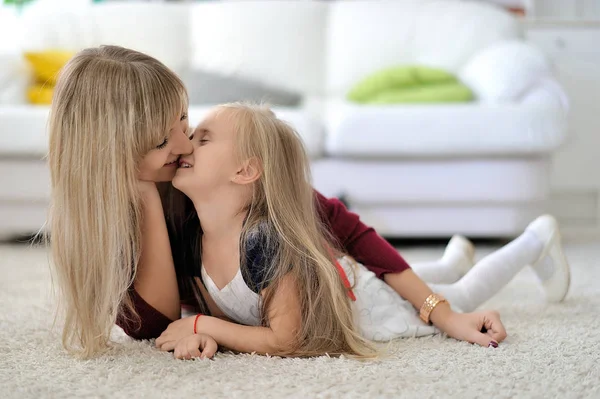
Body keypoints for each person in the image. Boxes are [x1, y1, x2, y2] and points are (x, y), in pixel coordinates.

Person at [48, 45, 484, 358]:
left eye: (184, 117)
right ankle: (448, 266)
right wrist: (143, 192)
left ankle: (447, 270)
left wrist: (440, 312)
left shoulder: (210, 182)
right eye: (165, 138)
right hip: (320, 283)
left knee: (382, 283)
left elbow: (345, 229)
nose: (185, 143)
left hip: (343, 277)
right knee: (374, 283)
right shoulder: (122, 214)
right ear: (114, 158)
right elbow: (153, 326)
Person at [154, 103, 570, 359]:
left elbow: (287, 339)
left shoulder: (267, 242)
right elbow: (227, 309)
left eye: (202, 139)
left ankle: (534, 241)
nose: (186, 145)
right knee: (436, 279)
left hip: (367, 300)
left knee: (461, 298)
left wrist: (202, 328)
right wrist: (205, 330)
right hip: (341, 273)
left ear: (245, 171)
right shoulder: (192, 236)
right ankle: (449, 261)